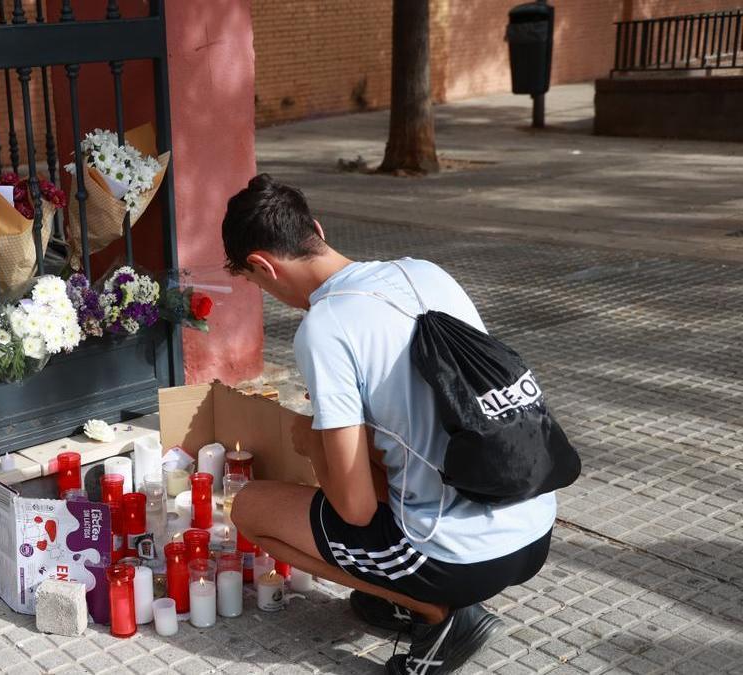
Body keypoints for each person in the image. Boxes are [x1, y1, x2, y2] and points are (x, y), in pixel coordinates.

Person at [224, 174, 555, 675]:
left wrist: (312, 443)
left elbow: (354, 510)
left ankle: (442, 613)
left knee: (249, 510)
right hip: (534, 523)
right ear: (316, 227)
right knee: (382, 452)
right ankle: (406, 595)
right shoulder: (424, 270)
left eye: (255, 284)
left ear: (262, 265)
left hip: (463, 555)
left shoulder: (324, 327)